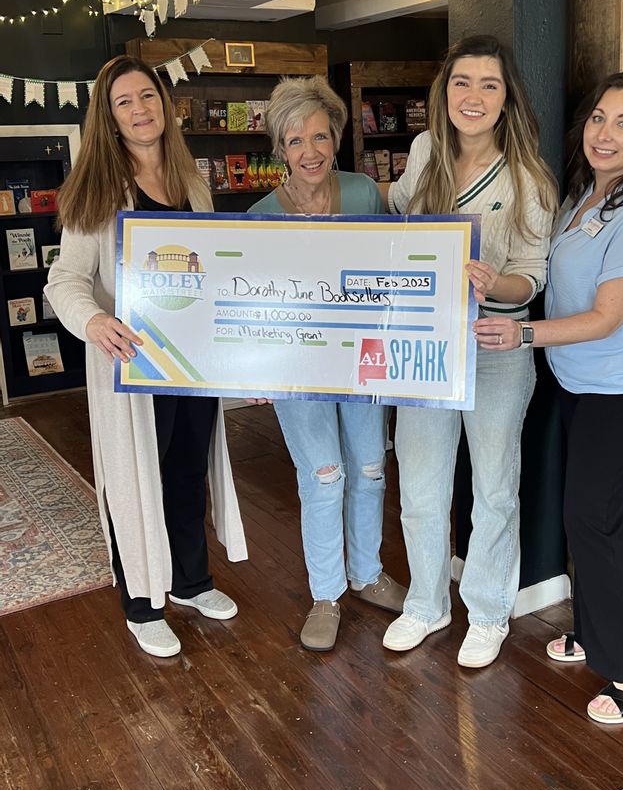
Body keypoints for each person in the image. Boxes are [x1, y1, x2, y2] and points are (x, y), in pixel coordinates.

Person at [475, 70, 623, 723]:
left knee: (595, 519)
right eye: (599, 118)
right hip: (583, 383)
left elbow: (605, 317)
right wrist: (495, 282)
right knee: (587, 516)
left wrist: (523, 334)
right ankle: (595, 633)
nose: (605, 133)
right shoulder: (586, 198)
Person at [45, 55, 246, 659]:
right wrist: (95, 320)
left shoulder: (195, 187)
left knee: (186, 473)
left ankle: (189, 582)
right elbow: (63, 280)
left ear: (166, 104)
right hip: (132, 367)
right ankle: (141, 603)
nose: (140, 110)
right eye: (124, 102)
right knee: (139, 480)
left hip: (190, 365)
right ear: (108, 118)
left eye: (148, 97)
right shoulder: (98, 191)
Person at [382, 35, 558, 668]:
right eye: (462, 82)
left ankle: (486, 613)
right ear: (445, 91)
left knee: (494, 491)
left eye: (489, 84)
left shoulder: (527, 175)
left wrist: (493, 282)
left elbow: (533, 275)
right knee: (423, 488)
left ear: (507, 98)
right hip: (427, 345)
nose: (473, 96)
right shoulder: (425, 151)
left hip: (496, 348)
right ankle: (426, 604)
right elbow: (399, 222)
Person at [247, 75, 407, 652]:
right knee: (323, 477)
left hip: (363, 360)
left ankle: (366, 574)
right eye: (296, 141)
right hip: (299, 369)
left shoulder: (364, 192)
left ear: (335, 138)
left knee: (369, 467)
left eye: (320, 136)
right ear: (280, 149)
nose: (310, 151)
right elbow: (255, 304)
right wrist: (258, 370)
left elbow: (392, 274)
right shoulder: (261, 214)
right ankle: (325, 593)